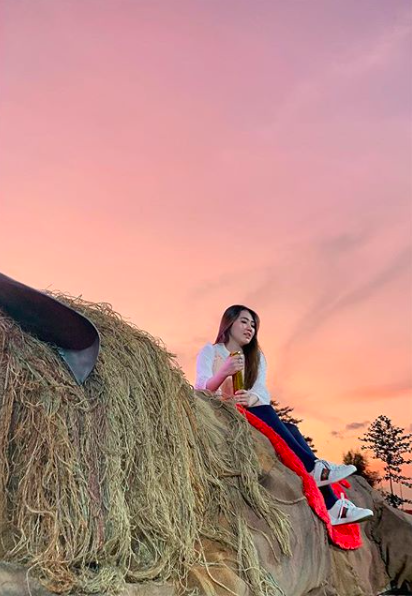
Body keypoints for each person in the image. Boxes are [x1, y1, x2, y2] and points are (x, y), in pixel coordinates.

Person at [195, 304, 374, 527]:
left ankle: (332, 504)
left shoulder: (257, 357)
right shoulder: (211, 351)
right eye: (244, 321)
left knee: (292, 430)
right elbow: (200, 390)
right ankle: (318, 473)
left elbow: (261, 392)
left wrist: (250, 398)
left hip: (249, 411)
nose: (250, 328)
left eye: (253, 325)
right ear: (229, 323)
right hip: (221, 414)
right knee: (272, 416)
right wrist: (224, 371)